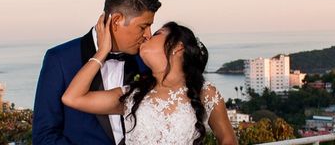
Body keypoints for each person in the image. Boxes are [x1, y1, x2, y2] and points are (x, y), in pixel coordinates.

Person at [62, 16, 238, 145]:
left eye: (157, 34)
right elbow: (72, 98)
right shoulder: (132, 95)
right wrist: (102, 52)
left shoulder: (205, 92)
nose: (147, 36)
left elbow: (228, 140)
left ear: (178, 47)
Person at [32, 0, 162, 144]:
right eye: (143, 27)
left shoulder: (146, 60)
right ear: (116, 21)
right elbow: (44, 136)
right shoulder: (59, 59)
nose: (148, 35)